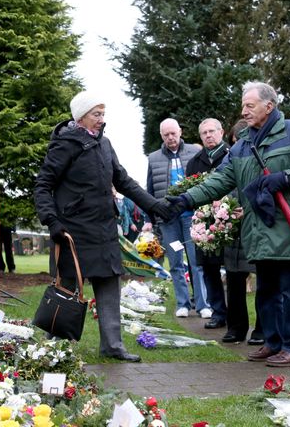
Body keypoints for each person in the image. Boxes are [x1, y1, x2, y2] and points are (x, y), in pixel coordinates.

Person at [162, 81, 290, 367]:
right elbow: (220, 180)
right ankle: (273, 342)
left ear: (270, 106)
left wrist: (287, 176)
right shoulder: (242, 145)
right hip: (259, 229)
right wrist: (185, 199)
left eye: (249, 106)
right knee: (266, 291)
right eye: (243, 106)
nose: (244, 111)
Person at [34, 90, 173, 363]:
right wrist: (52, 221)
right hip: (73, 232)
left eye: (103, 114)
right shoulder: (65, 144)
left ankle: (112, 345)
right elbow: (42, 186)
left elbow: (124, 181)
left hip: (104, 231)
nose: (101, 120)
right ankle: (54, 348)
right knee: (68, 288)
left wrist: (155, 205)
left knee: (110, 285)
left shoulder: (105, 144)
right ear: (81, 116)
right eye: (96, 114)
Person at [143, 118, 210, 319]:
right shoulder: (153, 158)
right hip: (168, 220)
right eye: (166, 135)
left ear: (180, 132)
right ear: (161, 136)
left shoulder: (194, 152)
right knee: (175, 261)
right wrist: (149, 218)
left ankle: (202, 304)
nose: (170, 138)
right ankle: (183, 304)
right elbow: (150, 190)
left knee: (196, 261)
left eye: (173, 133)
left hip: (192, 218)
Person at [222, 119, 263, 345]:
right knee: (234, 280)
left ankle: (262, 329)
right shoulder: (229, 160)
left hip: (255, 226)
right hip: (233, 229)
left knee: (263, 281)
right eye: (234, 141)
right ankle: (236, 327)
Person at [185, 118, 229, 329]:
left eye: (212, 131)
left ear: (222, 132)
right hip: (204, 222)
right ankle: (218, 313)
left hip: (231, 219)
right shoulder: (194, 162)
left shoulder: (232, 155)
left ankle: (237, 317)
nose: (208, 136)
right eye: (204, 133)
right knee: (209, 269)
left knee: (234, 270)